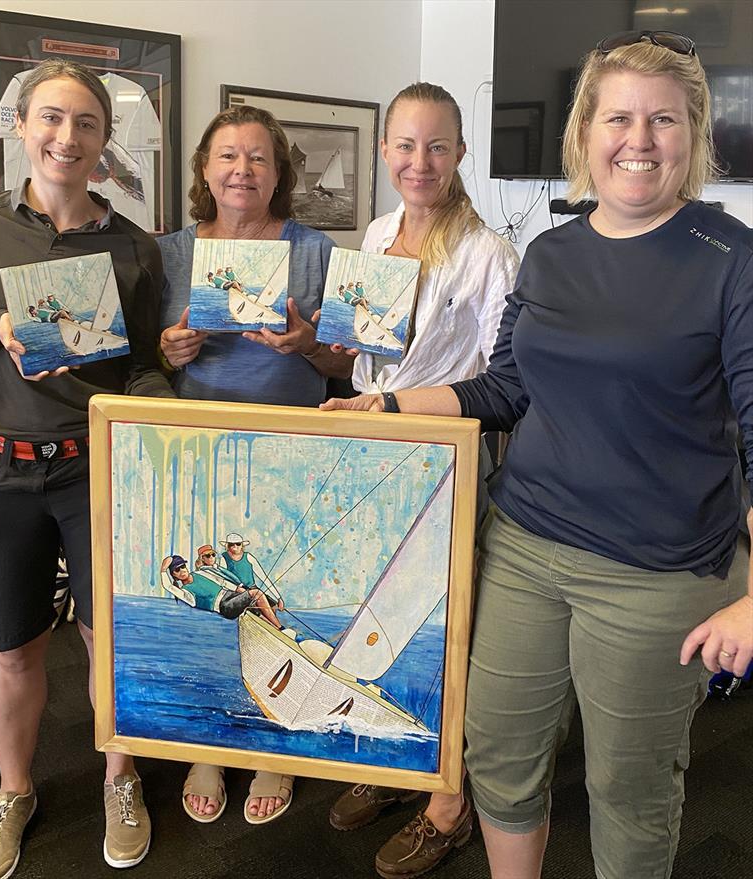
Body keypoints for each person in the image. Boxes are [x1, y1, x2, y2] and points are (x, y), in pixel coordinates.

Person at [322, 35, 753, 879]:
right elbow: (504, 389)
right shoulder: (553, 253)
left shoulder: (730, 258)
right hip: (524, 545)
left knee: (627, 787)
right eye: (618, 117)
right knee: (502, 758)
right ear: (586, 132)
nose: (638, 138)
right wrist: (389, 402)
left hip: (657, 572)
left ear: (691, 133)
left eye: (662, 119)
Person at [0, 59, 174, 879]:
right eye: (50, 119)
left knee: (106, 640)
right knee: (10, 649)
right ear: (20, 127)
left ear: (105, 141)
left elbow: (144, 364)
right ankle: (13, 790)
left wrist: (161, 406)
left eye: (85, 123)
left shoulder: (134, 247)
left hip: (96, 469)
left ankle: (121, 777)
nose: (66, 137)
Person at [326, 82, 519, 879]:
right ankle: (408, 765)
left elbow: (507, 384)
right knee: (379, 623)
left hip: (446, 463)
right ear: (384, 152)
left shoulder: (490, 253)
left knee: (444, 633)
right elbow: (361, 351)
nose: (420, 161)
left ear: (461, 154)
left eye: (437, 146)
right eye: (405, 145)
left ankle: (451, 805)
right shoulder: (374, 233)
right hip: (373, 453)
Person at [157, 103, 352, 826]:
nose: (244, 170)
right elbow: (142, 350)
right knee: (212, 591)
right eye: (229, 156)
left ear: (280, 172)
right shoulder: (169, 250)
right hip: (196, 443)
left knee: (273, 590)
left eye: (260, 158)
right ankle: (210, 741)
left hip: (289, 449)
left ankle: (274, 743)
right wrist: (167, 349)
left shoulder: (315, 250)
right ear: (205, 170)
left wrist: (305, 343)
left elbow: (343, 362)